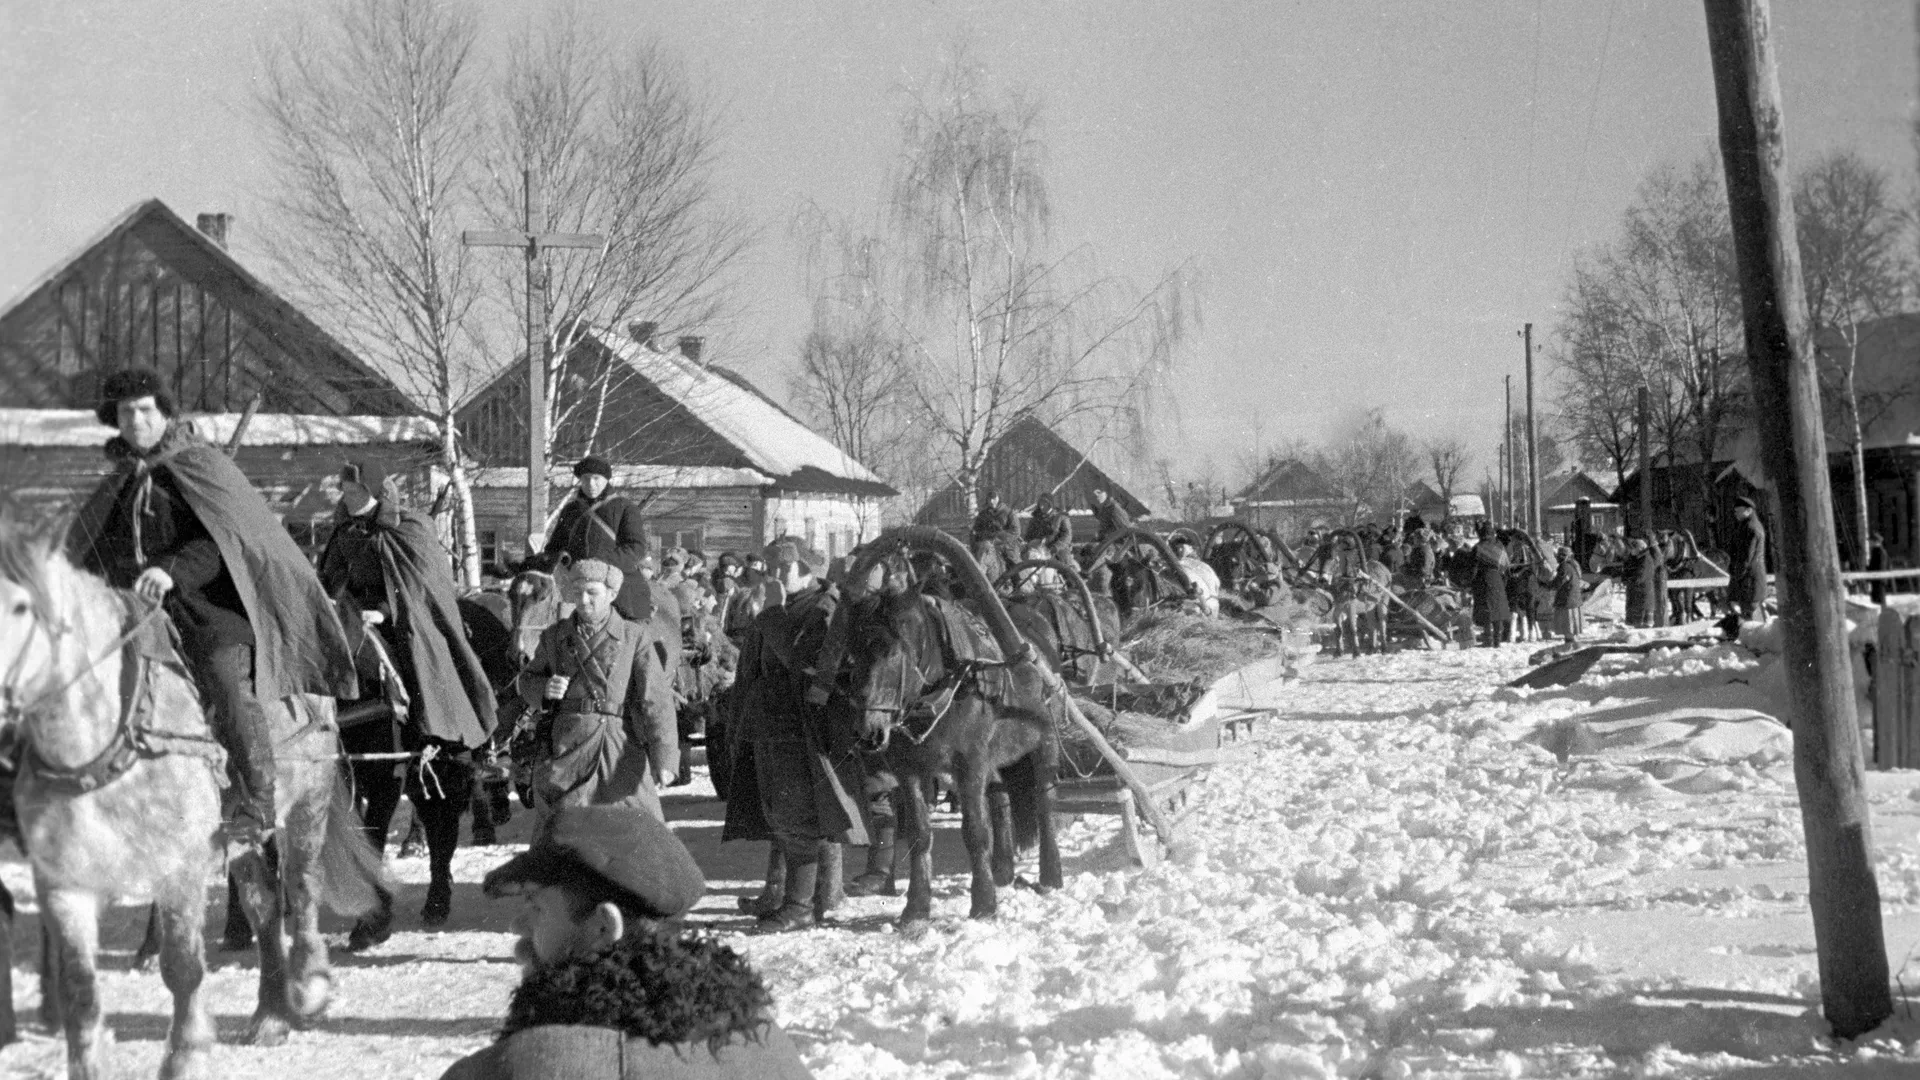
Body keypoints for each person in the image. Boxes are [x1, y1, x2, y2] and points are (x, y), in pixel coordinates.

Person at [67, 369, 356, 844]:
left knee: (225, 678)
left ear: (164, 413)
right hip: (132, 613)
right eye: (125, 412)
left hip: (206, 607)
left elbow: (222, 543)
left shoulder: (200, 465)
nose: (136, 420)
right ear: (114, 420)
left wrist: (170, 571)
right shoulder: (121, 482)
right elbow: (92, 550)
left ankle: (258, 800)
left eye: (145, 410)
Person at [438, 805, 813, 1080]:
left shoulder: (521, 1067)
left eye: (536, 907)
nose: (517, 928)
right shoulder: (768, 1046)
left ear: (604, 927)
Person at [318, 458, 498, 926]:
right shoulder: (342, 533)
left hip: (402, 626)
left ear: (374, 487)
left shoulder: (409, 527)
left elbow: (424, 585)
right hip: (354, 627)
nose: (347, 494)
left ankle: (433, 733)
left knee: (421, 661)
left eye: (354, 487)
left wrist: (384, 610)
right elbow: (327, 583)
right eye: (343, 488)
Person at [720, 539, 867, 931]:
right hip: (770, 724)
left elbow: (806, 663)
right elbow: (751, 667)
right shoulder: (779, 606)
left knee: (799, 816)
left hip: (804, 729)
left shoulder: (824, 607)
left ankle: (800, 906)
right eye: (770, 567)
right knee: (782, 814)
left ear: (807, 568)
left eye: (784, 568)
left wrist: (769, 616)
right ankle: (808, 896)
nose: (775, 575)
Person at [515, 560, 677, 819]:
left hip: (617, 744)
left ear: (612, 594)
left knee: (636, 824)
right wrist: (544, 688)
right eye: (577, 592)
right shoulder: (555, 636)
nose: (583, 600)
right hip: (567, 747)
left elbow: (656, 700)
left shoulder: (633, 636)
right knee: (562, 830)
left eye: (592, 592)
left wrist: (664, 757)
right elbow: (527, 680)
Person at [547, 457, 653, 622]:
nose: (591, 484)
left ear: (606, 480)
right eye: (586, 479)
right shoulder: (570, 510)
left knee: (634, 626)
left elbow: (636, 547)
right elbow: (554, 547)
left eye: (596, 478)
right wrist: (563, 559)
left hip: (618, 582)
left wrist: (602, 563)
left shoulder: (625, 508)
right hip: (576, 583)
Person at [1727, 495, 1770, 621]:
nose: (1735, 513)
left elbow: (1746, 557)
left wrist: (1736, 576)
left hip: (1750, 579)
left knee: (1751, 613)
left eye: (1738, 511)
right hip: (1748, 578)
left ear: (1748, 510)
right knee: (1749, 612)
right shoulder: (1746, 526)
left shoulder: (1751, 528)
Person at [1470, 522, 1510, 647]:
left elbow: (1473, 568)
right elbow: (1506, 567)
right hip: (1497, 579)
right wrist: (1503, 581)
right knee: (1497, 611)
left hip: (1482, 580)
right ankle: (1497, 640)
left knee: (1486, 610)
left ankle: (1488, 639)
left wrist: (1471, 582)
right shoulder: (1500, 547)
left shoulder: (1478, 547)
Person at [1168, 535, 1221, 617]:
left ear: (1190, 548)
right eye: (1177, 548)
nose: (1179, 550)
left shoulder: (1198, 565)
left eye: (1182, 547)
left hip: (1205, 603)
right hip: (1206, 604)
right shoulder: (1181, 564)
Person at [1022, 492, 1075, 565]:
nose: (1042, 506)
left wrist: (1055, 547)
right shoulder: (1035, 519)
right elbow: (1028, 536)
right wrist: (1026, 543)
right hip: (1038, 549)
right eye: (1040, 503)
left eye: (1044, 503)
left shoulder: (1061, 517)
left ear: (1050, 504)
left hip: (1057, 550)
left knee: (1064, 564)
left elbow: (1067, 536)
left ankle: (1068, 575)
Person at [970, 490, 1019, 564]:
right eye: (989, 499)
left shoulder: (1009, 513)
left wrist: (998, 537)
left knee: (1012, 565)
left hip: (1005, 545)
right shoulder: (983, 514)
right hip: (985, 544)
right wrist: (983, 536)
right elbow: (976, 530)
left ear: (999, 498)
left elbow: (1016, 532)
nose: (992, 501)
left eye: (994, 498)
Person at [1550, 544, 1584, 645]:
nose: (1557, 558)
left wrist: (1546, 585)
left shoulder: (1565, 566)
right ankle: (1571, 644)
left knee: (1568, 629)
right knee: (1571, 630)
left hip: (1567, 601)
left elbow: (1559, 582)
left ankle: (1570, 646)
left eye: (1560, 556)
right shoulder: (1574, 565)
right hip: (1574, 600)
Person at [1867, 532, 1890, 605]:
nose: (1869, 543)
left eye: (1870, 541)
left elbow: (1881, 567)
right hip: (1876, 580)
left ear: (1875, 541)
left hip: (1879, 580)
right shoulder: (1876, 551)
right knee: (1876, 601)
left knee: (1880, 601)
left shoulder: (1880, 552)